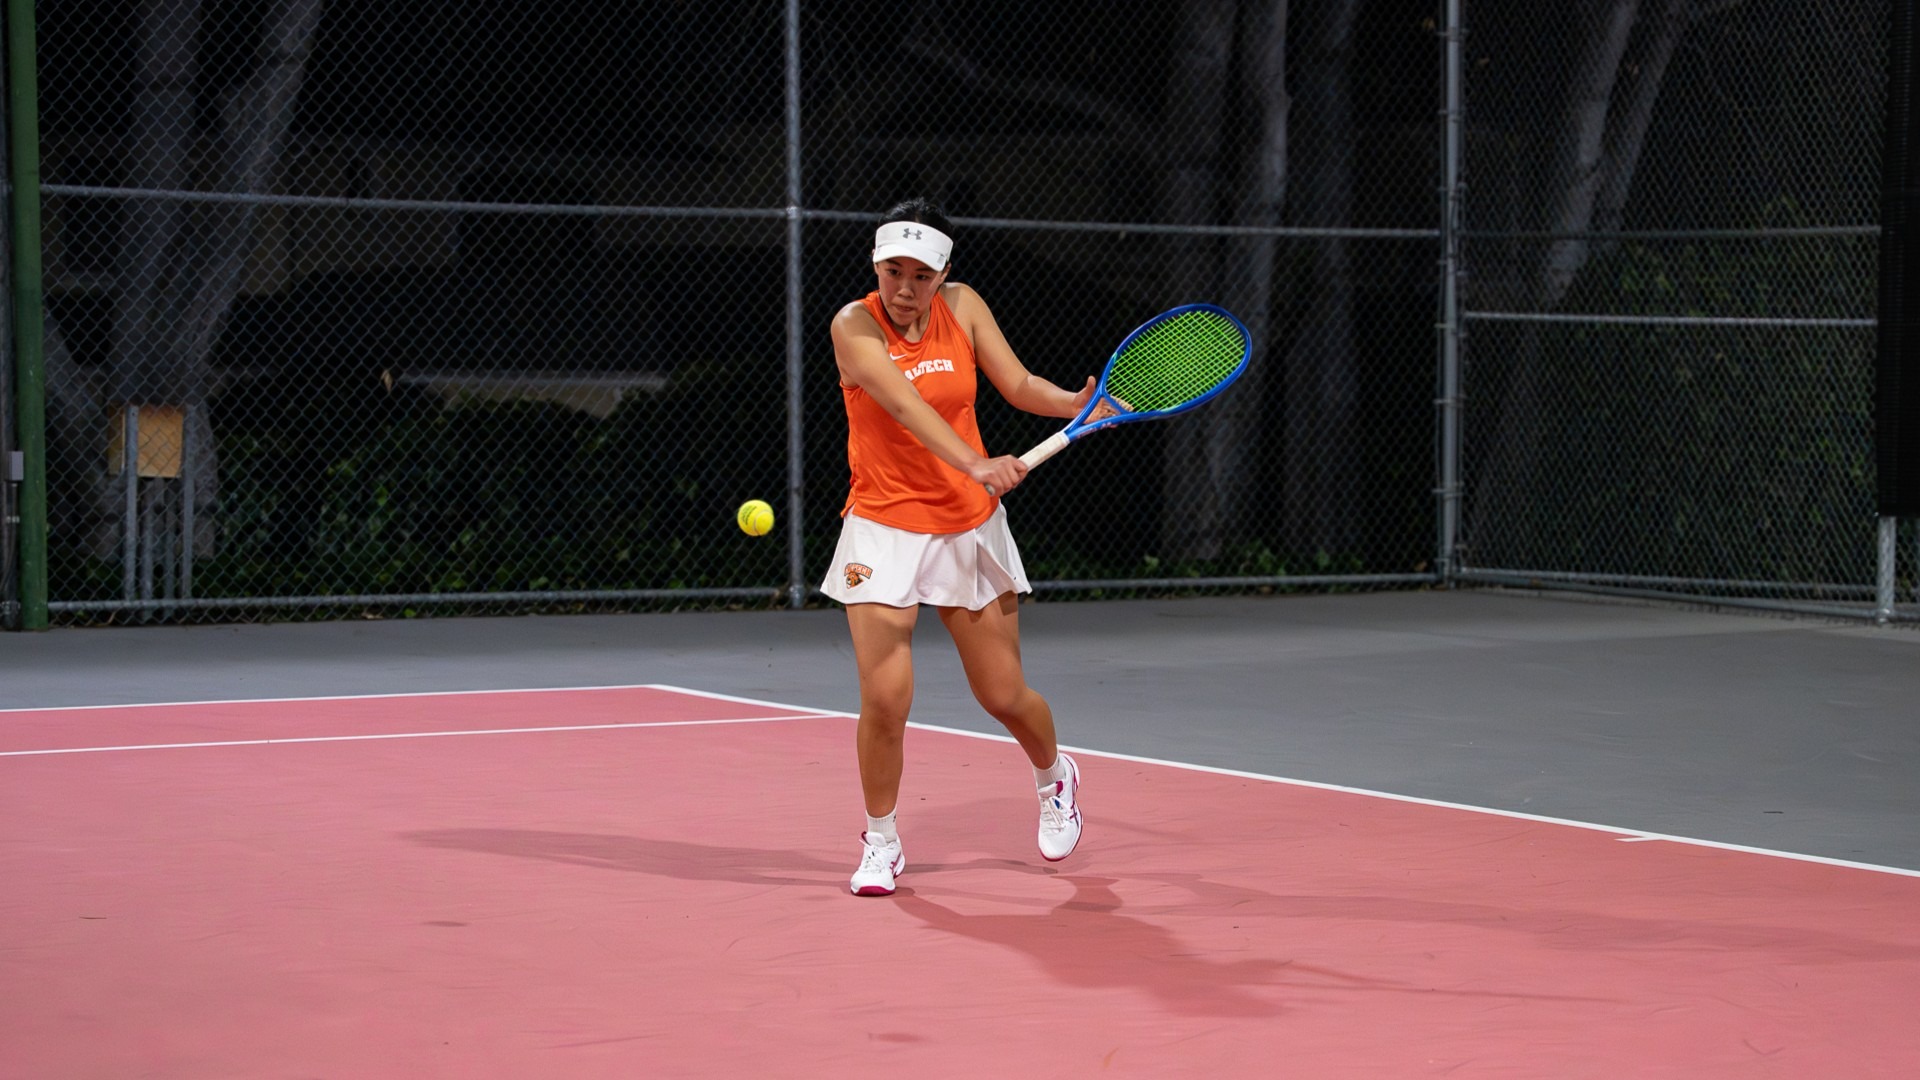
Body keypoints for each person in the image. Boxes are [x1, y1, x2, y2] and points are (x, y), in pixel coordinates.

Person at [822, 197, 1093, 897]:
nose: (905, 289)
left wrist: (1072, 404)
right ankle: (880, 839)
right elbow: (905, 410)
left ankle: (1053, 774)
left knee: (1002, 695)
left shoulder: (965, 306)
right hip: (882, 526)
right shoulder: (853, 325)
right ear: (876, 267)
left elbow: (1017, 383)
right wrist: (975, 461)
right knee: (885, 700)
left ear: (943, 276)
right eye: (893, 272)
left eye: (920, 275)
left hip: (966, 525)